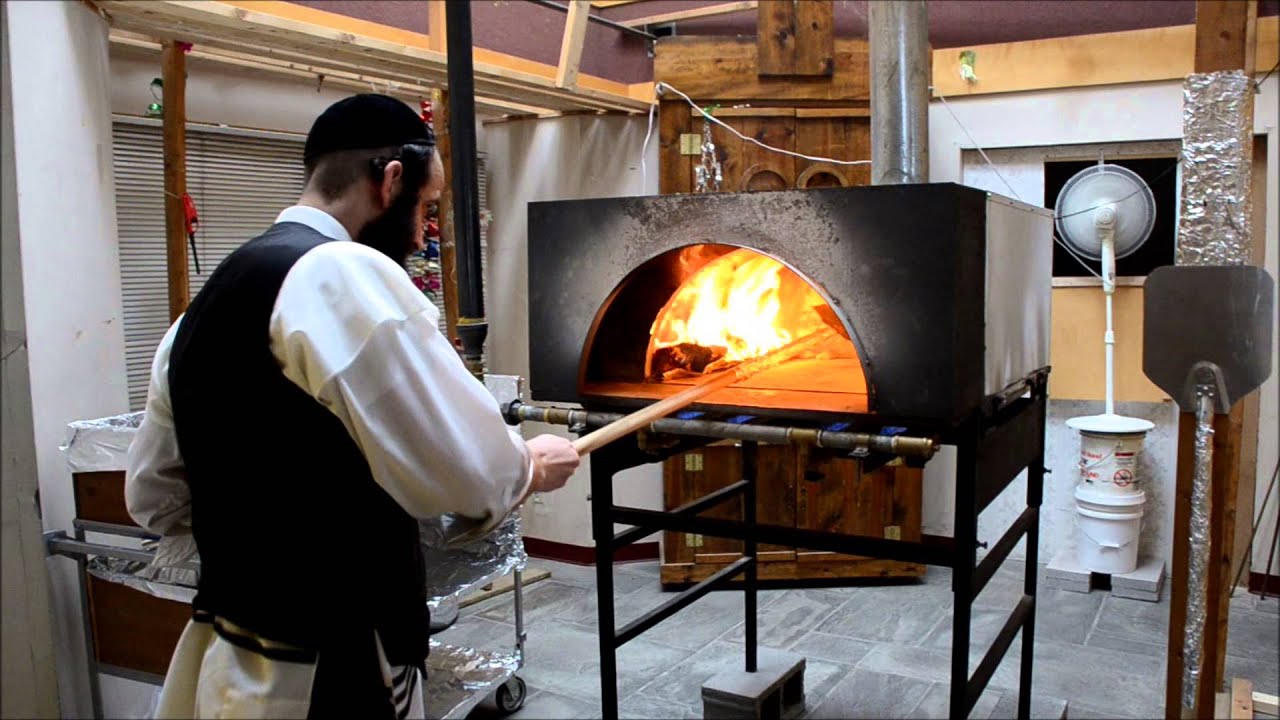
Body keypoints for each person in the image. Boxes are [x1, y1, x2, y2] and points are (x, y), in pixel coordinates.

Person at [124, 94, 579, 719]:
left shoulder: (202, 309)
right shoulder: (337, 273)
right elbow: (466, 474)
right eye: (425, 208)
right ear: (390, 181)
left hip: (227, 657)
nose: (422, 234)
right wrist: (526, 465)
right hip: (331, 666)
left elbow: (152, 497)